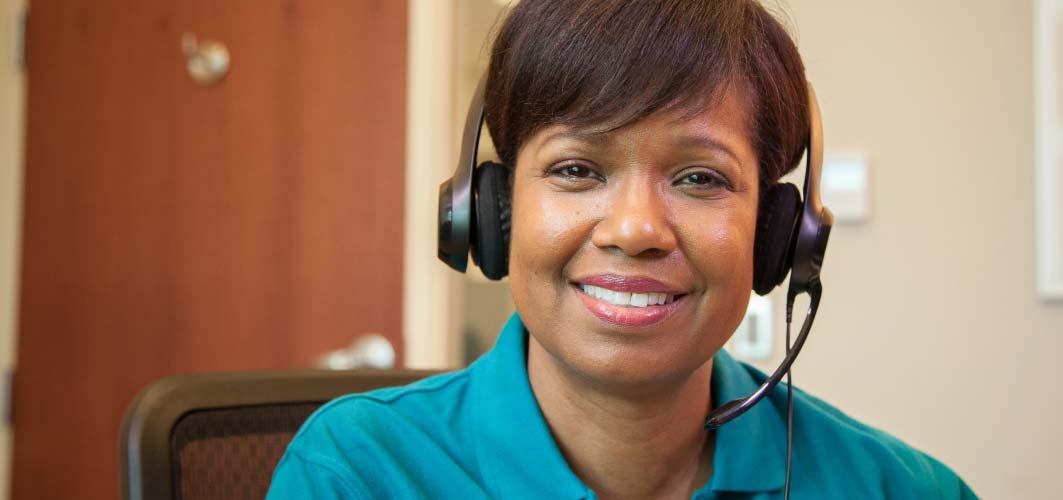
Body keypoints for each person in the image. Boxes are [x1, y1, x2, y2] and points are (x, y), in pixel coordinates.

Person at [267, 1, 978, 498]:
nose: (635, 229)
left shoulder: (900, 489)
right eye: (577, 169)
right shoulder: (356, 475)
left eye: (700, 178)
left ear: (778, 235)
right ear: (493, 212)